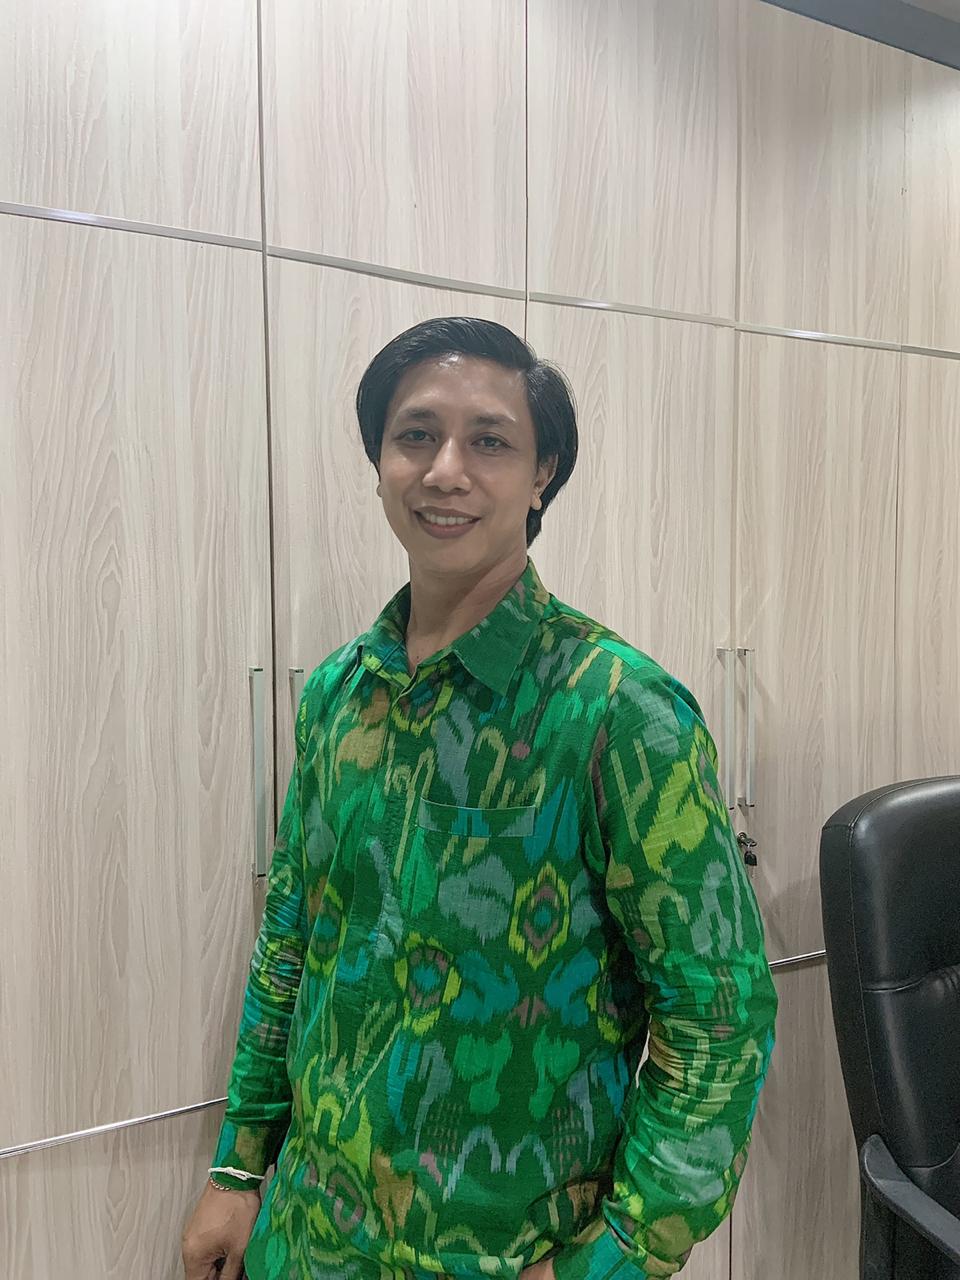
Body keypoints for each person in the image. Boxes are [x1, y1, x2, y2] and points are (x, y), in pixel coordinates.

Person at [181, 317, 778, 1280]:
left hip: (508, 1253)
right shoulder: (338, 694)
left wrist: (616, 1258)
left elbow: (719, 1019)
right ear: (379, 461)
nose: (445, 471)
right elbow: (291, 941)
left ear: (543, 474)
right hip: (307, 1238)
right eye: (415, 435)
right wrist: (238, 1168)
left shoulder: (618, 710)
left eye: (490, 441)